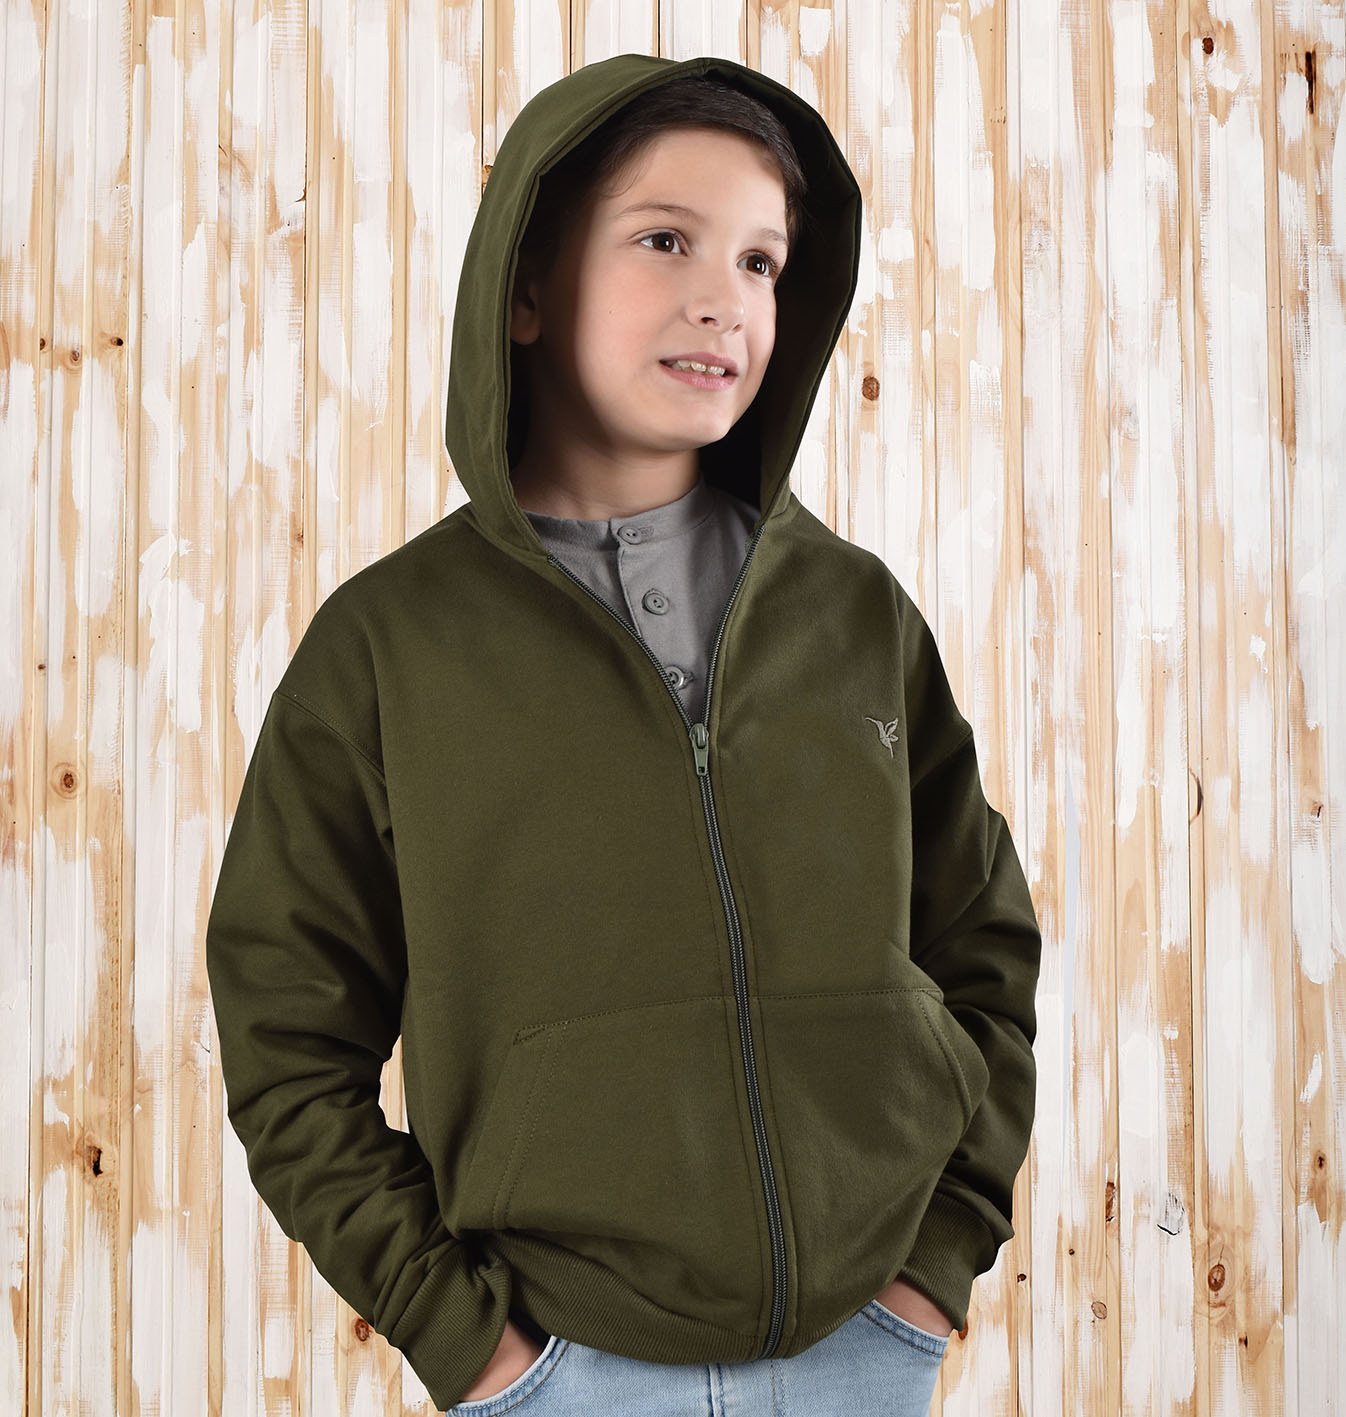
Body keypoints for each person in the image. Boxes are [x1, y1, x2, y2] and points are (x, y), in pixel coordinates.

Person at [205, 52, 1042, 1417]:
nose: (724, 296)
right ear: (526, 288)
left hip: (864, 1348)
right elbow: (286, 1036)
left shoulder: (854, 614)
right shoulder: (387, 647)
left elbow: (983, 946)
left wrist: (934, 1266)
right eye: (665, 241)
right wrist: (468, 1341)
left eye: (761, 262)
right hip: (563, 1366)